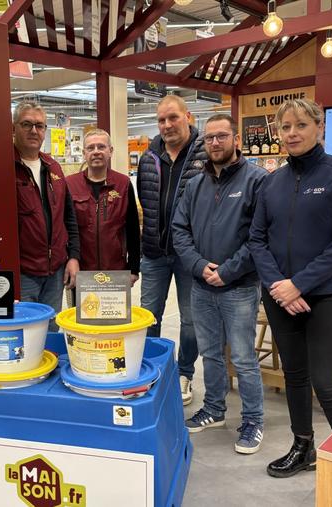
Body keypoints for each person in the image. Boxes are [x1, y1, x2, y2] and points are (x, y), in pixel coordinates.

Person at [248, 98, 332, 478]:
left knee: (326, 383)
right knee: (295, 376)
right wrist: (279, 286)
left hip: (331, 294)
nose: (292, 133)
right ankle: (303, 447)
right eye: (285, 127)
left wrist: (299, 284)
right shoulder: (271, 182)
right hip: (282, 295)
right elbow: (257, 240)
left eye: (300, 125)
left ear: (320, 128)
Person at [172, 114, 267, 454]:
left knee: (242, 358)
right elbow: (179, 230)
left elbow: (260, 238)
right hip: (202, 285)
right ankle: (214, 409)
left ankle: (253, 420)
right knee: (210, 354)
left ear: (236, 139)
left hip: (239, 288)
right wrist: (199, 266)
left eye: (222, 136)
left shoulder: (257, 180)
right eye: (209, 138)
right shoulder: (196, 184)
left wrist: (227, 270)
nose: (214, 143)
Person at [136, 94, 208, 405]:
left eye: (173, 118)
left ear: (188, 116)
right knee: (149, 315)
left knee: (191, 319)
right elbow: (145, 200)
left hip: (191, 255)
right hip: (154, 252)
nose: (167, 125)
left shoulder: (206, 153)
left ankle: (184, 373)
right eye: (161, 120)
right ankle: (151, 370)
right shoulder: (148, 157)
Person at [13, 101, 80, 330]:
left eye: (40, 126)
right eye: (27, 124)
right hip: (24, 273)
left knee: (50, 331)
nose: (34, 131)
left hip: (55, 271)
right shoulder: (2, 167)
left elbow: (68, 217)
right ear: (14, 128)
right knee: (25, 335)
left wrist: (73, 257)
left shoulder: (53, 167)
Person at [66, 128, 140, 287]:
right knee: (81, 312)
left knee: (115, 313)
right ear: (84, 153)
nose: (96, 152)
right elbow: (65, 229)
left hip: (116, 271)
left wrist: (134, 268)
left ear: (110, 151)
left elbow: (133, 228)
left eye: (101, 147)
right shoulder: (70, 185)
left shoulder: (123, 184)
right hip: (81, 271)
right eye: (90, 148)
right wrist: (69, 261)